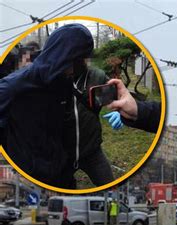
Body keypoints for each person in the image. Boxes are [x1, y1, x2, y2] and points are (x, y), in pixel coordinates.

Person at [0, 24, 94, 188]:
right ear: (62, 56)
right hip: (27, 177)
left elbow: (66, 122)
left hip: (61, 174)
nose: (80, 67)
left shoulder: (63, 82)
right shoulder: (14, 86)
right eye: (78, 61)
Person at [65, 58, 115, 186]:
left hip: (92, 150)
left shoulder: (97, 76)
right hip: (61, 153)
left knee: (110, 188)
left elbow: (117, 97)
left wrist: (119, 110)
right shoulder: (51, 78)